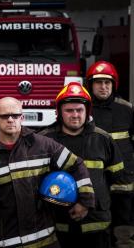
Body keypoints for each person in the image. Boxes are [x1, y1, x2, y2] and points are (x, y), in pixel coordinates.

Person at [0, 96, 95, 248]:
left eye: (15, 115)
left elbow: (76, 164)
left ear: (22, 117)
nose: (10, 120)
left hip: (45, 240)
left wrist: (85, 201)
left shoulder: (42, 145)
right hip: (4, 241)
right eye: (4, 116)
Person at [40, 82, 128, 248]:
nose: (75, 115)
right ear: (59, 112)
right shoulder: (45, 141)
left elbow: (117, 180)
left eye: (79, 110)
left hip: (97, 226)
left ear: (87, 111)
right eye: (69, 110)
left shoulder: (103, 139)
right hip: (58, 225)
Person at [86, 60, 134, 247]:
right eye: (99, 82)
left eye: (108, 82)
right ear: (90, 85)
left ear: (114, 84)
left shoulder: (126, 109)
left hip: (124, 179)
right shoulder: (83, 109)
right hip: (95, 178)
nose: (104, 87)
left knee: (124, 220)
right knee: (97, 220)